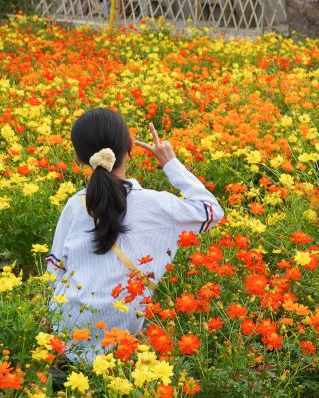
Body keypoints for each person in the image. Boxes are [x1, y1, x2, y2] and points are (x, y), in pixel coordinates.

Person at [46, 108, 223, 368]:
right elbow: (212, 211)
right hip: (121, 336)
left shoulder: (74, 206)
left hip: (69, 330)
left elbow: (54, 271)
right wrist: (170, 163)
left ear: (78, 157)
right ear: (130, 147)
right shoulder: (156, 204)